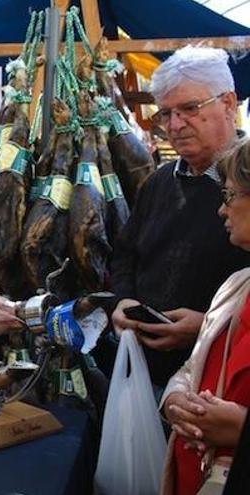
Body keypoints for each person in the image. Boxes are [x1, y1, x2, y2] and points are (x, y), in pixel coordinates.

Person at [110, 46, 250, 388]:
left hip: (219, 385)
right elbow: (125, 254)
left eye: (189, 108)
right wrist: (123, 301)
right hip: (143, 375)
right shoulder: (158, 182)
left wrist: (208, 325)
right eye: (165, 113)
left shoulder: (249, 185)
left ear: (229, 103)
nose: (175, 125)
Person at [159, 139, 250, 495]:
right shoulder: (237, 286)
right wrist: (175, 402)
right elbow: (191, 369)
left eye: (229, 196)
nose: (221, 211)